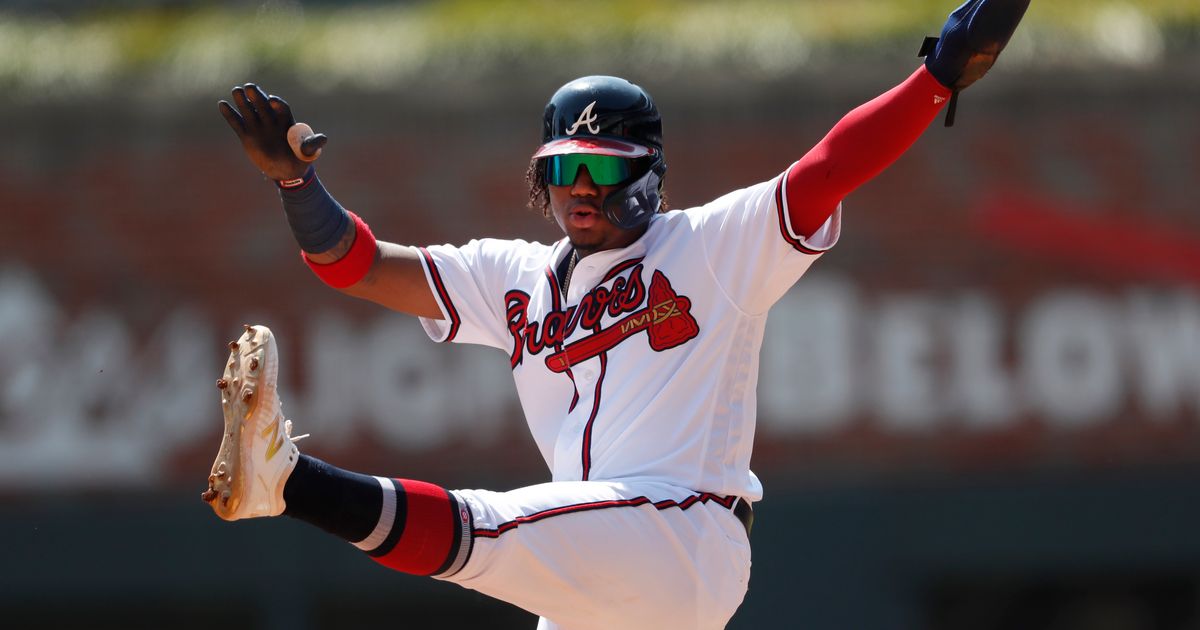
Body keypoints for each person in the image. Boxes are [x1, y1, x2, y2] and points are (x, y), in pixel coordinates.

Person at [204, 2, 1030, 628]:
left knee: (488, 530)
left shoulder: (710, 246)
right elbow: (356, 266)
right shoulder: (515, 275)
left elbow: (827, 168)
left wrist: (933, 82)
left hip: (681, 536)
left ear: (647, 172)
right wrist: (295, 185)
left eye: (601, 166)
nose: (580, 186)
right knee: (511, 534)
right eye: (563, 165)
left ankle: (286, 481)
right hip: (595, 564)